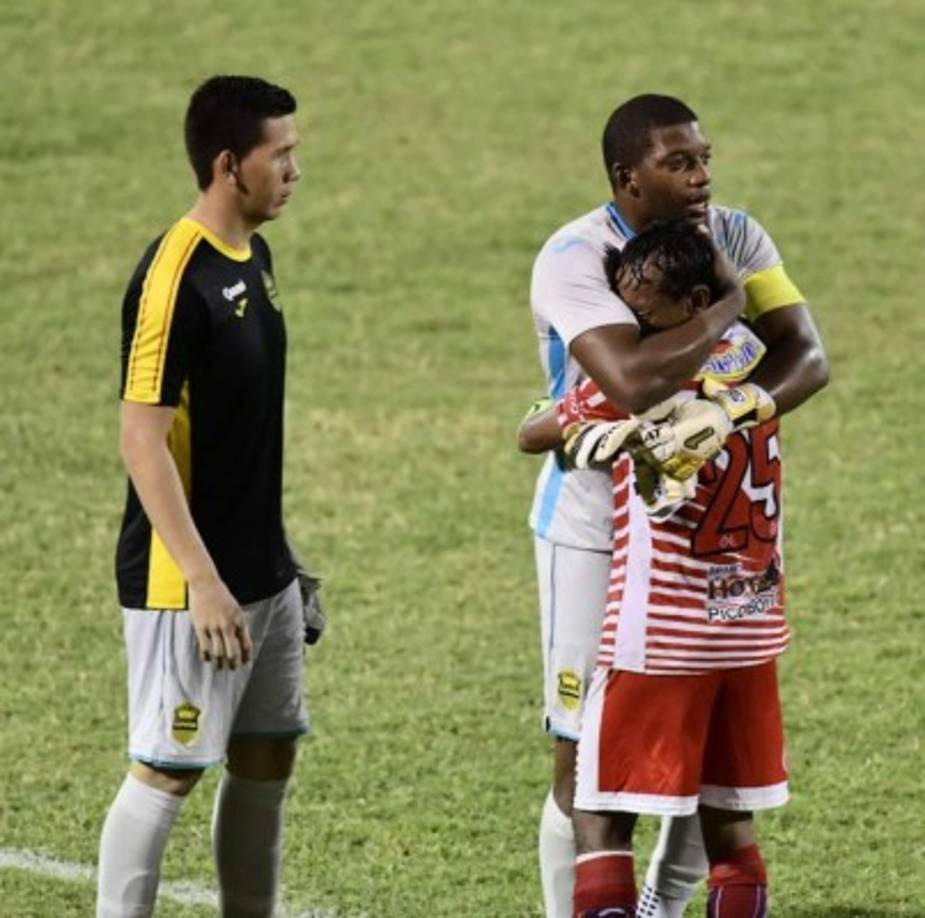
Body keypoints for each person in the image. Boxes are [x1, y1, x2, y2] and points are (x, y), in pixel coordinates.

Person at [527, 94, 828, 917]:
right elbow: (628, 383)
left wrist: (730, 410)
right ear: (627, 179)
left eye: (703, 159)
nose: (702, 179)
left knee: (712, 763)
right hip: (596, 533)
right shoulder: (575, 254)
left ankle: (657, 907)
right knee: (580, 756)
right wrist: (728, 307)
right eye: (678, 164)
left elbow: (807, 354)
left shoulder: (737, 232)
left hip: (721, 542)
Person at [97, 75, 319, 918]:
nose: (296, 170)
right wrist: (203, 580)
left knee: (266, 759)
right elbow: (140, 438)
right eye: (282, 154)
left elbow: (242, 436)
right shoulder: (172, 276)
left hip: (260, 572)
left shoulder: (252, 258)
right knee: (167, 767)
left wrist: (282, 561)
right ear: (230, 165)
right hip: (186, 579)